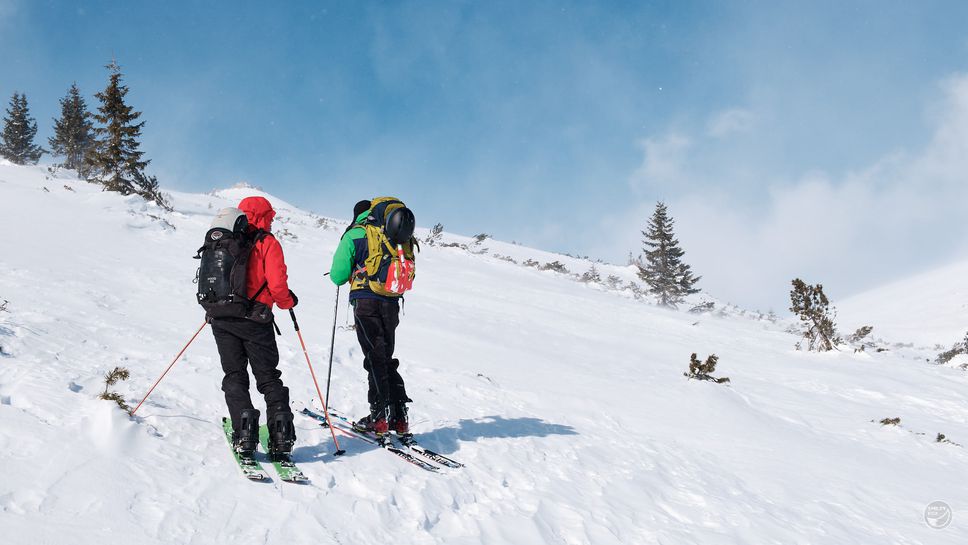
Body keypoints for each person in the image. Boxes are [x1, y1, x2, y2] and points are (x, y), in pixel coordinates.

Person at [211, 196, 298, 458]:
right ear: (262, 217)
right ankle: (281, 437)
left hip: (223, 318)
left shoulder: (223, 241)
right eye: (269, 217)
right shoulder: (266, 242)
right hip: (256, 321)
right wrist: (287, 302)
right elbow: (277, 285)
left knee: (234, 375)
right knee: (269, 379)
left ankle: (244, 433)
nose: (271, 222)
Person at [330, 199, 413, 436]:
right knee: (385, 356)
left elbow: (338, 275)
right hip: (391, 301)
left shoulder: (356, 233)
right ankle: (399, 417)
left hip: (366, 302)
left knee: (375, 357)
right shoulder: (394, 232)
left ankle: (379, 418)